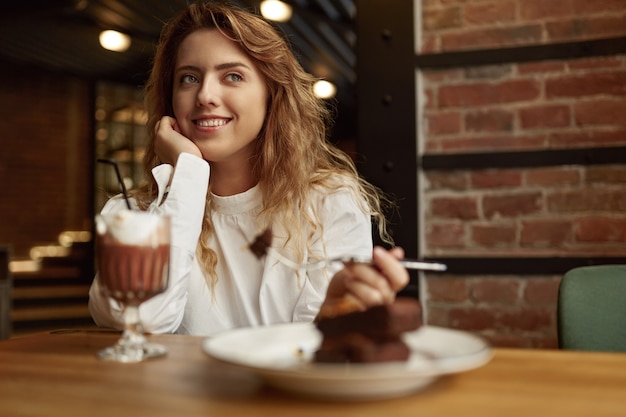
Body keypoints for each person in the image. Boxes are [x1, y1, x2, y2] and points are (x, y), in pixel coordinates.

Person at [88, 0, 409, 336]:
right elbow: (137, 321)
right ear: (171, 101)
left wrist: (339, 315)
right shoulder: (133, 215)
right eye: (188, 78)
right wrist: (187, 177)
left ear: (272, 95)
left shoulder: (328, 203)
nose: (205, 95)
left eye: (233, 76)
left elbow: (325, 344)